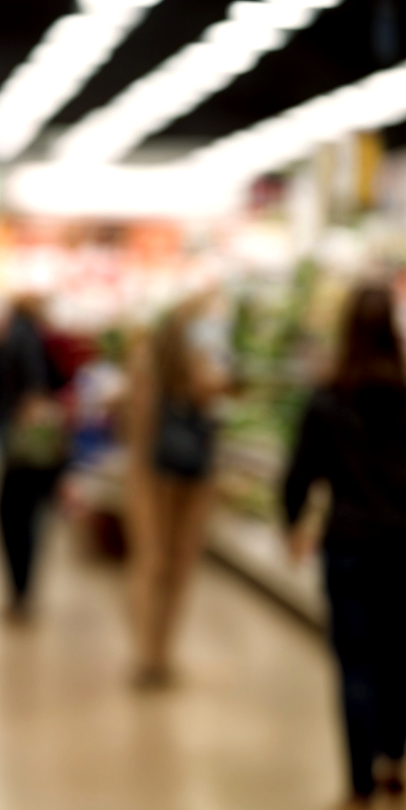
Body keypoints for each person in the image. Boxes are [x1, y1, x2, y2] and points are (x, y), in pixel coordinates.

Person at [282, 283, 406, 810]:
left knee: (355, 667)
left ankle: (359, 785)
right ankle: (396, 762)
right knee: (398, 659)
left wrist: (292, 524)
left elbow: (299, 475)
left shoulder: (326, 402)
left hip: (347, 546)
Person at [122, 295, 227, 689]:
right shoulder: (200, 363)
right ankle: (160, 652)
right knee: (175, 566)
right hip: (190, 475)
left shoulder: (145, 360)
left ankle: (146, 652)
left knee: (150, 564)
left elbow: (139, 425)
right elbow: (215, 397)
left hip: (152, 472)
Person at [0, 296, 68, 616]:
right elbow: (34, 390)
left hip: (14, 438)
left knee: (13, 513)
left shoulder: (11, 335)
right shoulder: (27, 337)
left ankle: (19, 589)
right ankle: (21, 589)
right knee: (23, 515)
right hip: (22, 440)